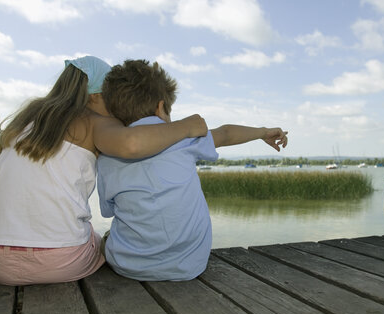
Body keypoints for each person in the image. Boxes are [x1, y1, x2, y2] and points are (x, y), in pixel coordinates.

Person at [0, 56, 208, 286]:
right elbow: (132, 144)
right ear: (97, 96)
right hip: (58, 262)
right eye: (112, 100)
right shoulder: (94, 121)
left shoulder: (28, 117)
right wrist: (184, 127)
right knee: (103, 242)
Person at [98, 59, 288, 281]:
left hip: (129, 265)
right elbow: (225, 134)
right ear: (161, 108)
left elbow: (109, 210)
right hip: (189, 264)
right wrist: (263, 132)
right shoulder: (183, 138)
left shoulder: (106, 156)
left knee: (106, 237)